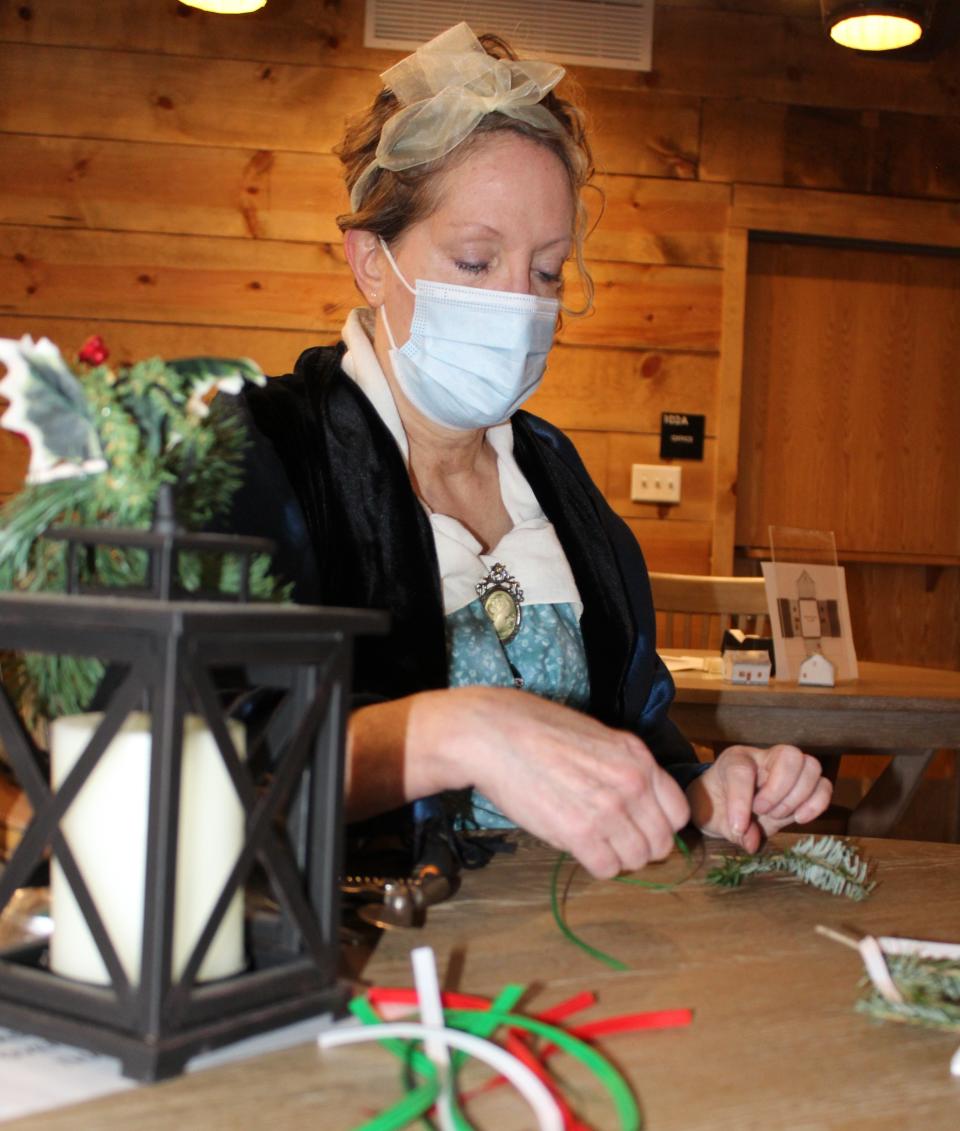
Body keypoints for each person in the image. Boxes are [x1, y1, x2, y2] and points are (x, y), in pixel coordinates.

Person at [226, 23, 832, 880]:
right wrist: (455, 731)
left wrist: (704, 792)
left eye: (546, 272)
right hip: (356, 960)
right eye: (476, 261)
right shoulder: (267, 457)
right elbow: (198, 755)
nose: (517, 306)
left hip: (574, 951)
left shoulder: (554, 479)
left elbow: (632, 740)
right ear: (371, 262)